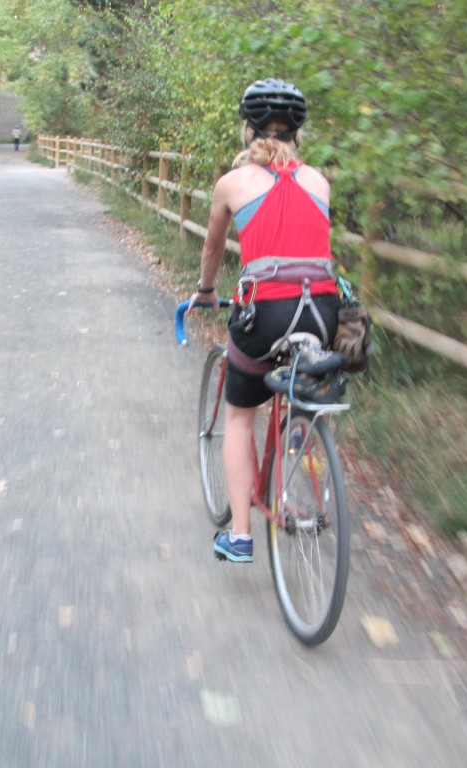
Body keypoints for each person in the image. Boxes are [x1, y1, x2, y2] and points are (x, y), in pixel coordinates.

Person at [188, 78, 340, 563]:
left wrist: (207, 290)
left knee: (238, 418)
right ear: (297, 132)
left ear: (248, 128)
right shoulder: (319, 181)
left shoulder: (232, 184)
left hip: (266, 312)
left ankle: (240, 536)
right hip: (322, 308)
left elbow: (213, 248)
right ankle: (305, 434)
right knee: (303, 382)